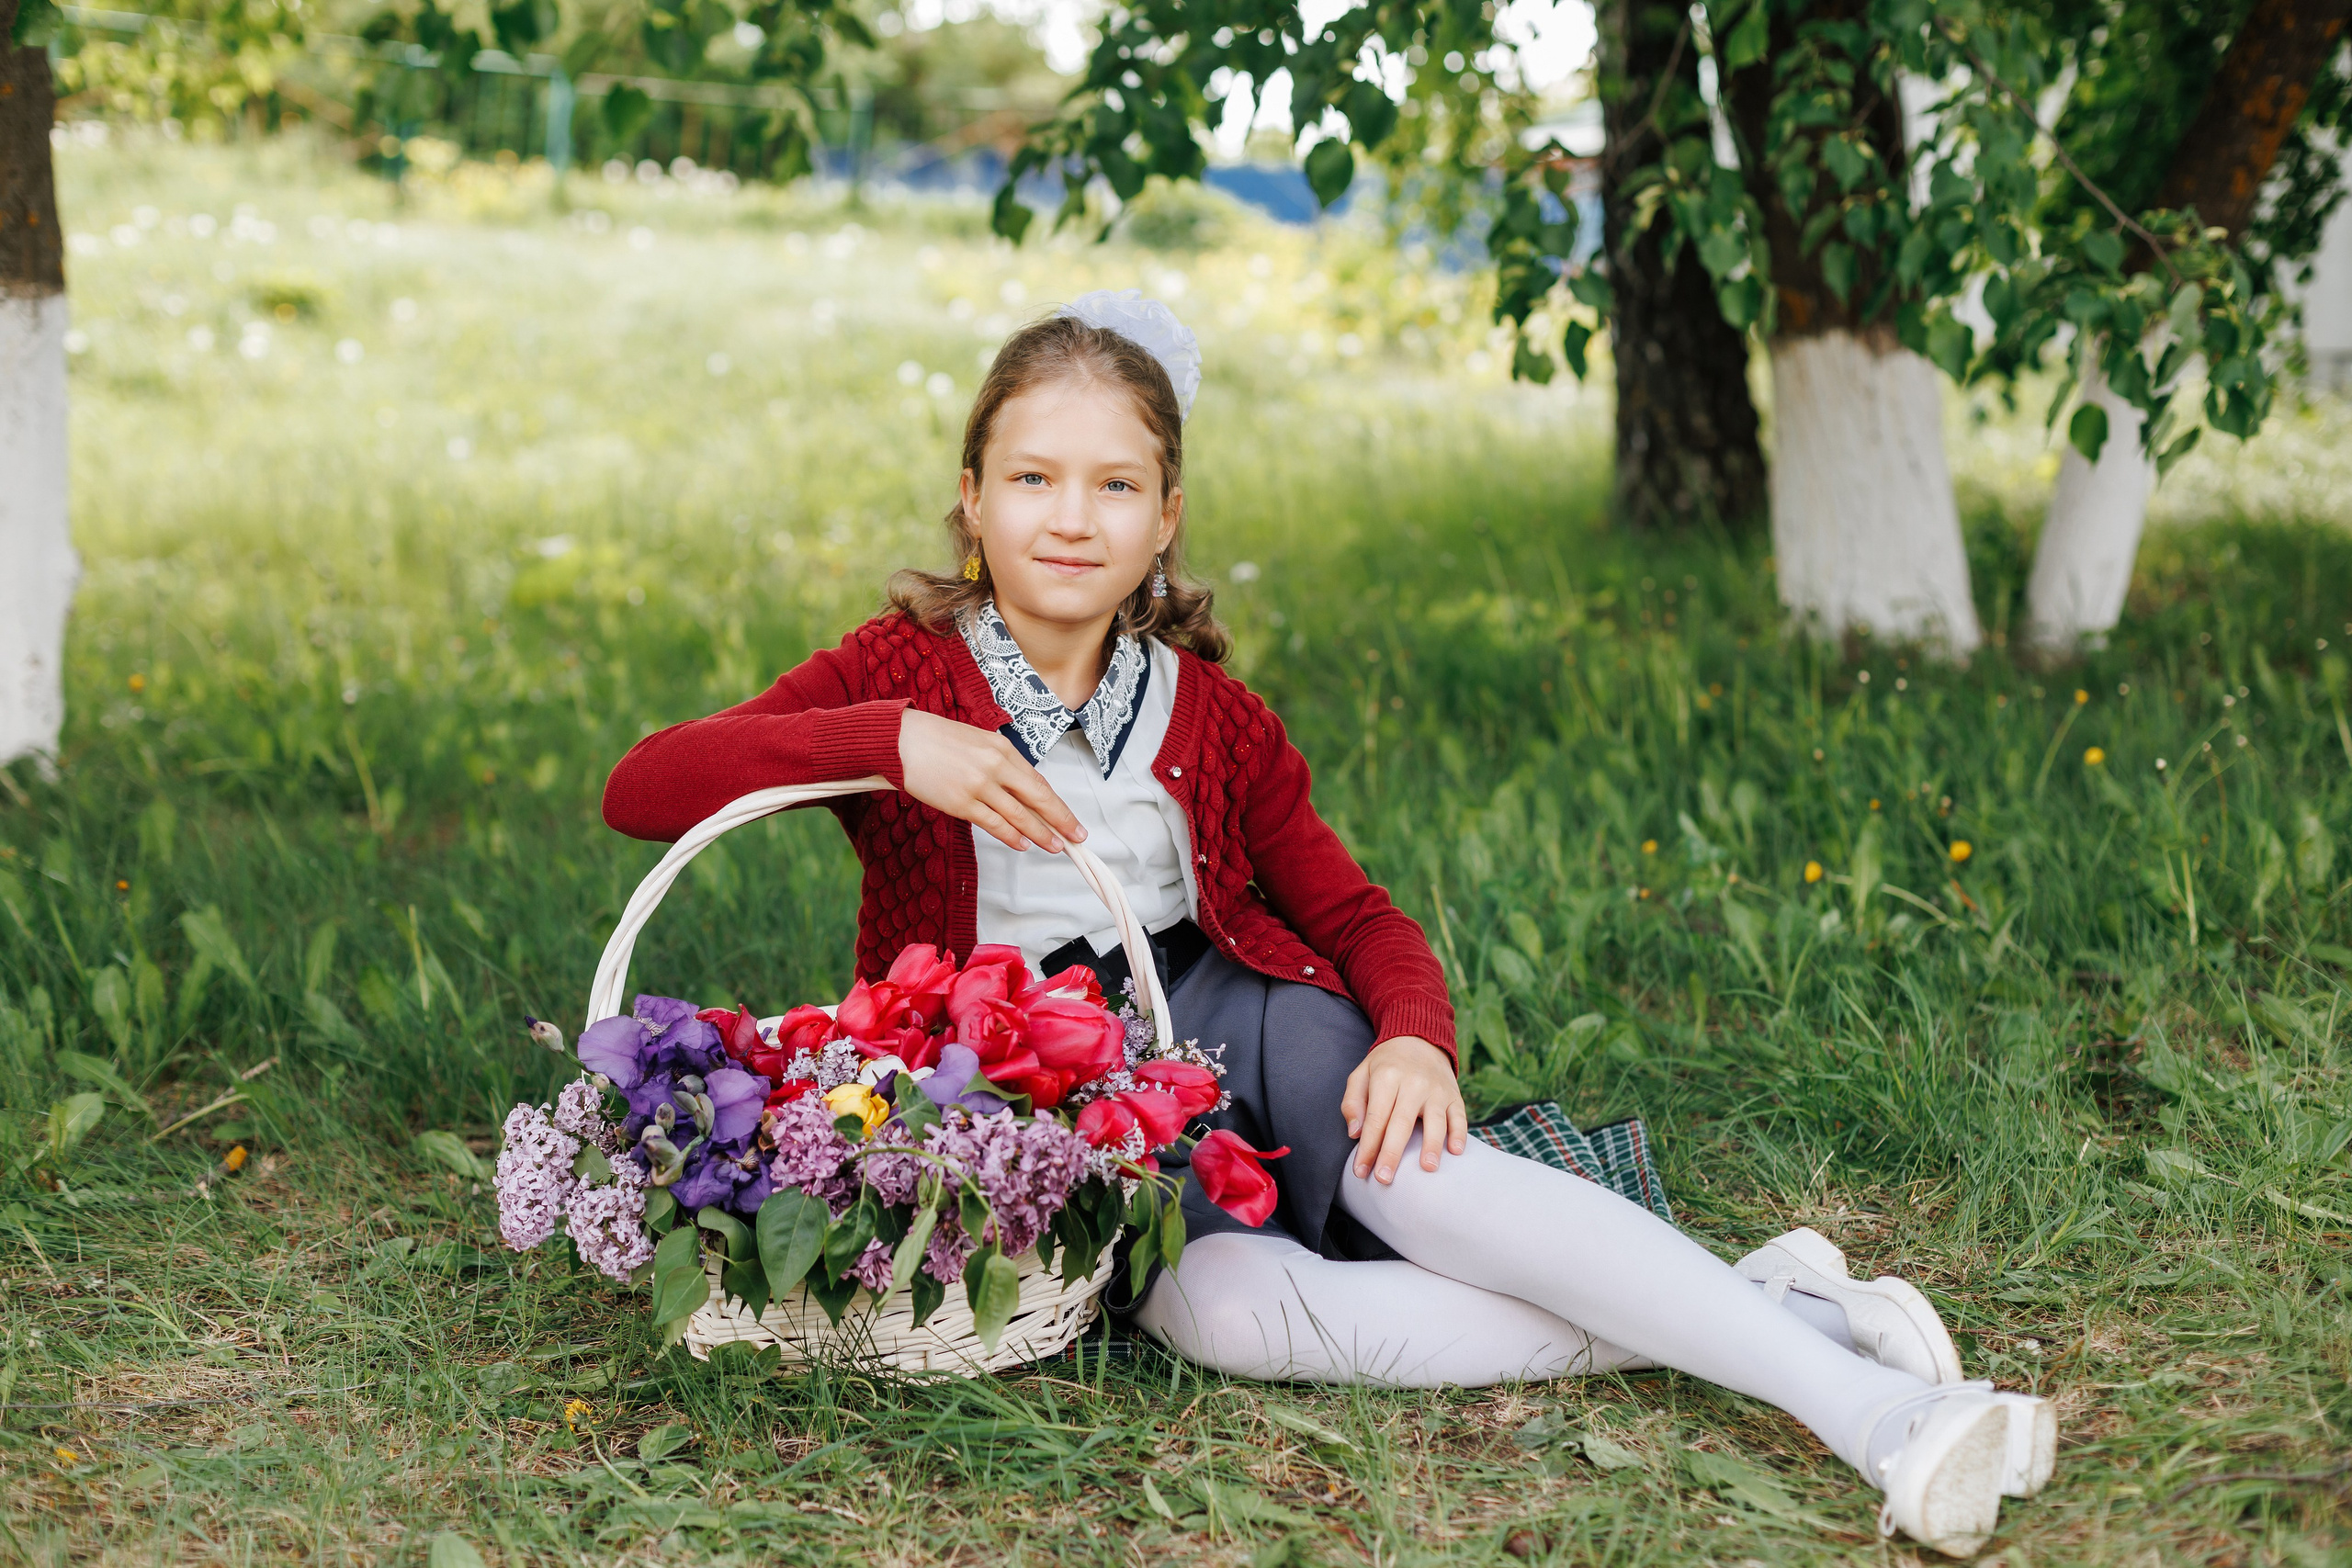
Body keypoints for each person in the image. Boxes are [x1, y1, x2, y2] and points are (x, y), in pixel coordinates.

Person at [601, 292, 2054, 1558]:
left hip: (1235, 1017)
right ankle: (1771, 1311)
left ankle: (1871, 1414)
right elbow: (643, 787)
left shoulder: (1215, 718)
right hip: (1036, 1091)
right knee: (1225, 1318)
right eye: (1032, 477)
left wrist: (1414, 1037)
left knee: (1422, 1184)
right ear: (971, 499)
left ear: (1166, 518)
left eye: (1116, 485)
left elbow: (1355, 914)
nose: (1071, 517)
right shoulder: (901, 673)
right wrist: (886, 742)